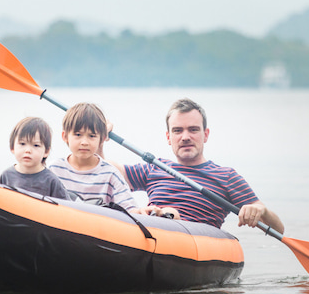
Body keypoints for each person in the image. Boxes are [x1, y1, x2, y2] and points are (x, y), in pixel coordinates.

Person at [116, 98, 284, 232]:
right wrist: (99, 137)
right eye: (177, 131)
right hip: (149, 233)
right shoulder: (155, 167)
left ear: (206, 134)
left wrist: (262, 211)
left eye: (193, 129)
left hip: (193, 246)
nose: (185, 137)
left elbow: (278, 229)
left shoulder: (227, 177)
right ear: (168, 137)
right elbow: (103, 170)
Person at [49, 103, 139, 212]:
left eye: (92, 136)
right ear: (65, 136)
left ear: (102, 139)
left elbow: (130, 208)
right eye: (78, 135)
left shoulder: (110, 174)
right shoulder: (55, 169)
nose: (84, 142)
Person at [0, 116, 69, 199]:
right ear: (12, 147)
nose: (28, 150)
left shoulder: (51, 181)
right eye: (22, 144)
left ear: (46, 151)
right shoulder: (6, 176)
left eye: (36, 145)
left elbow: (66, 208)